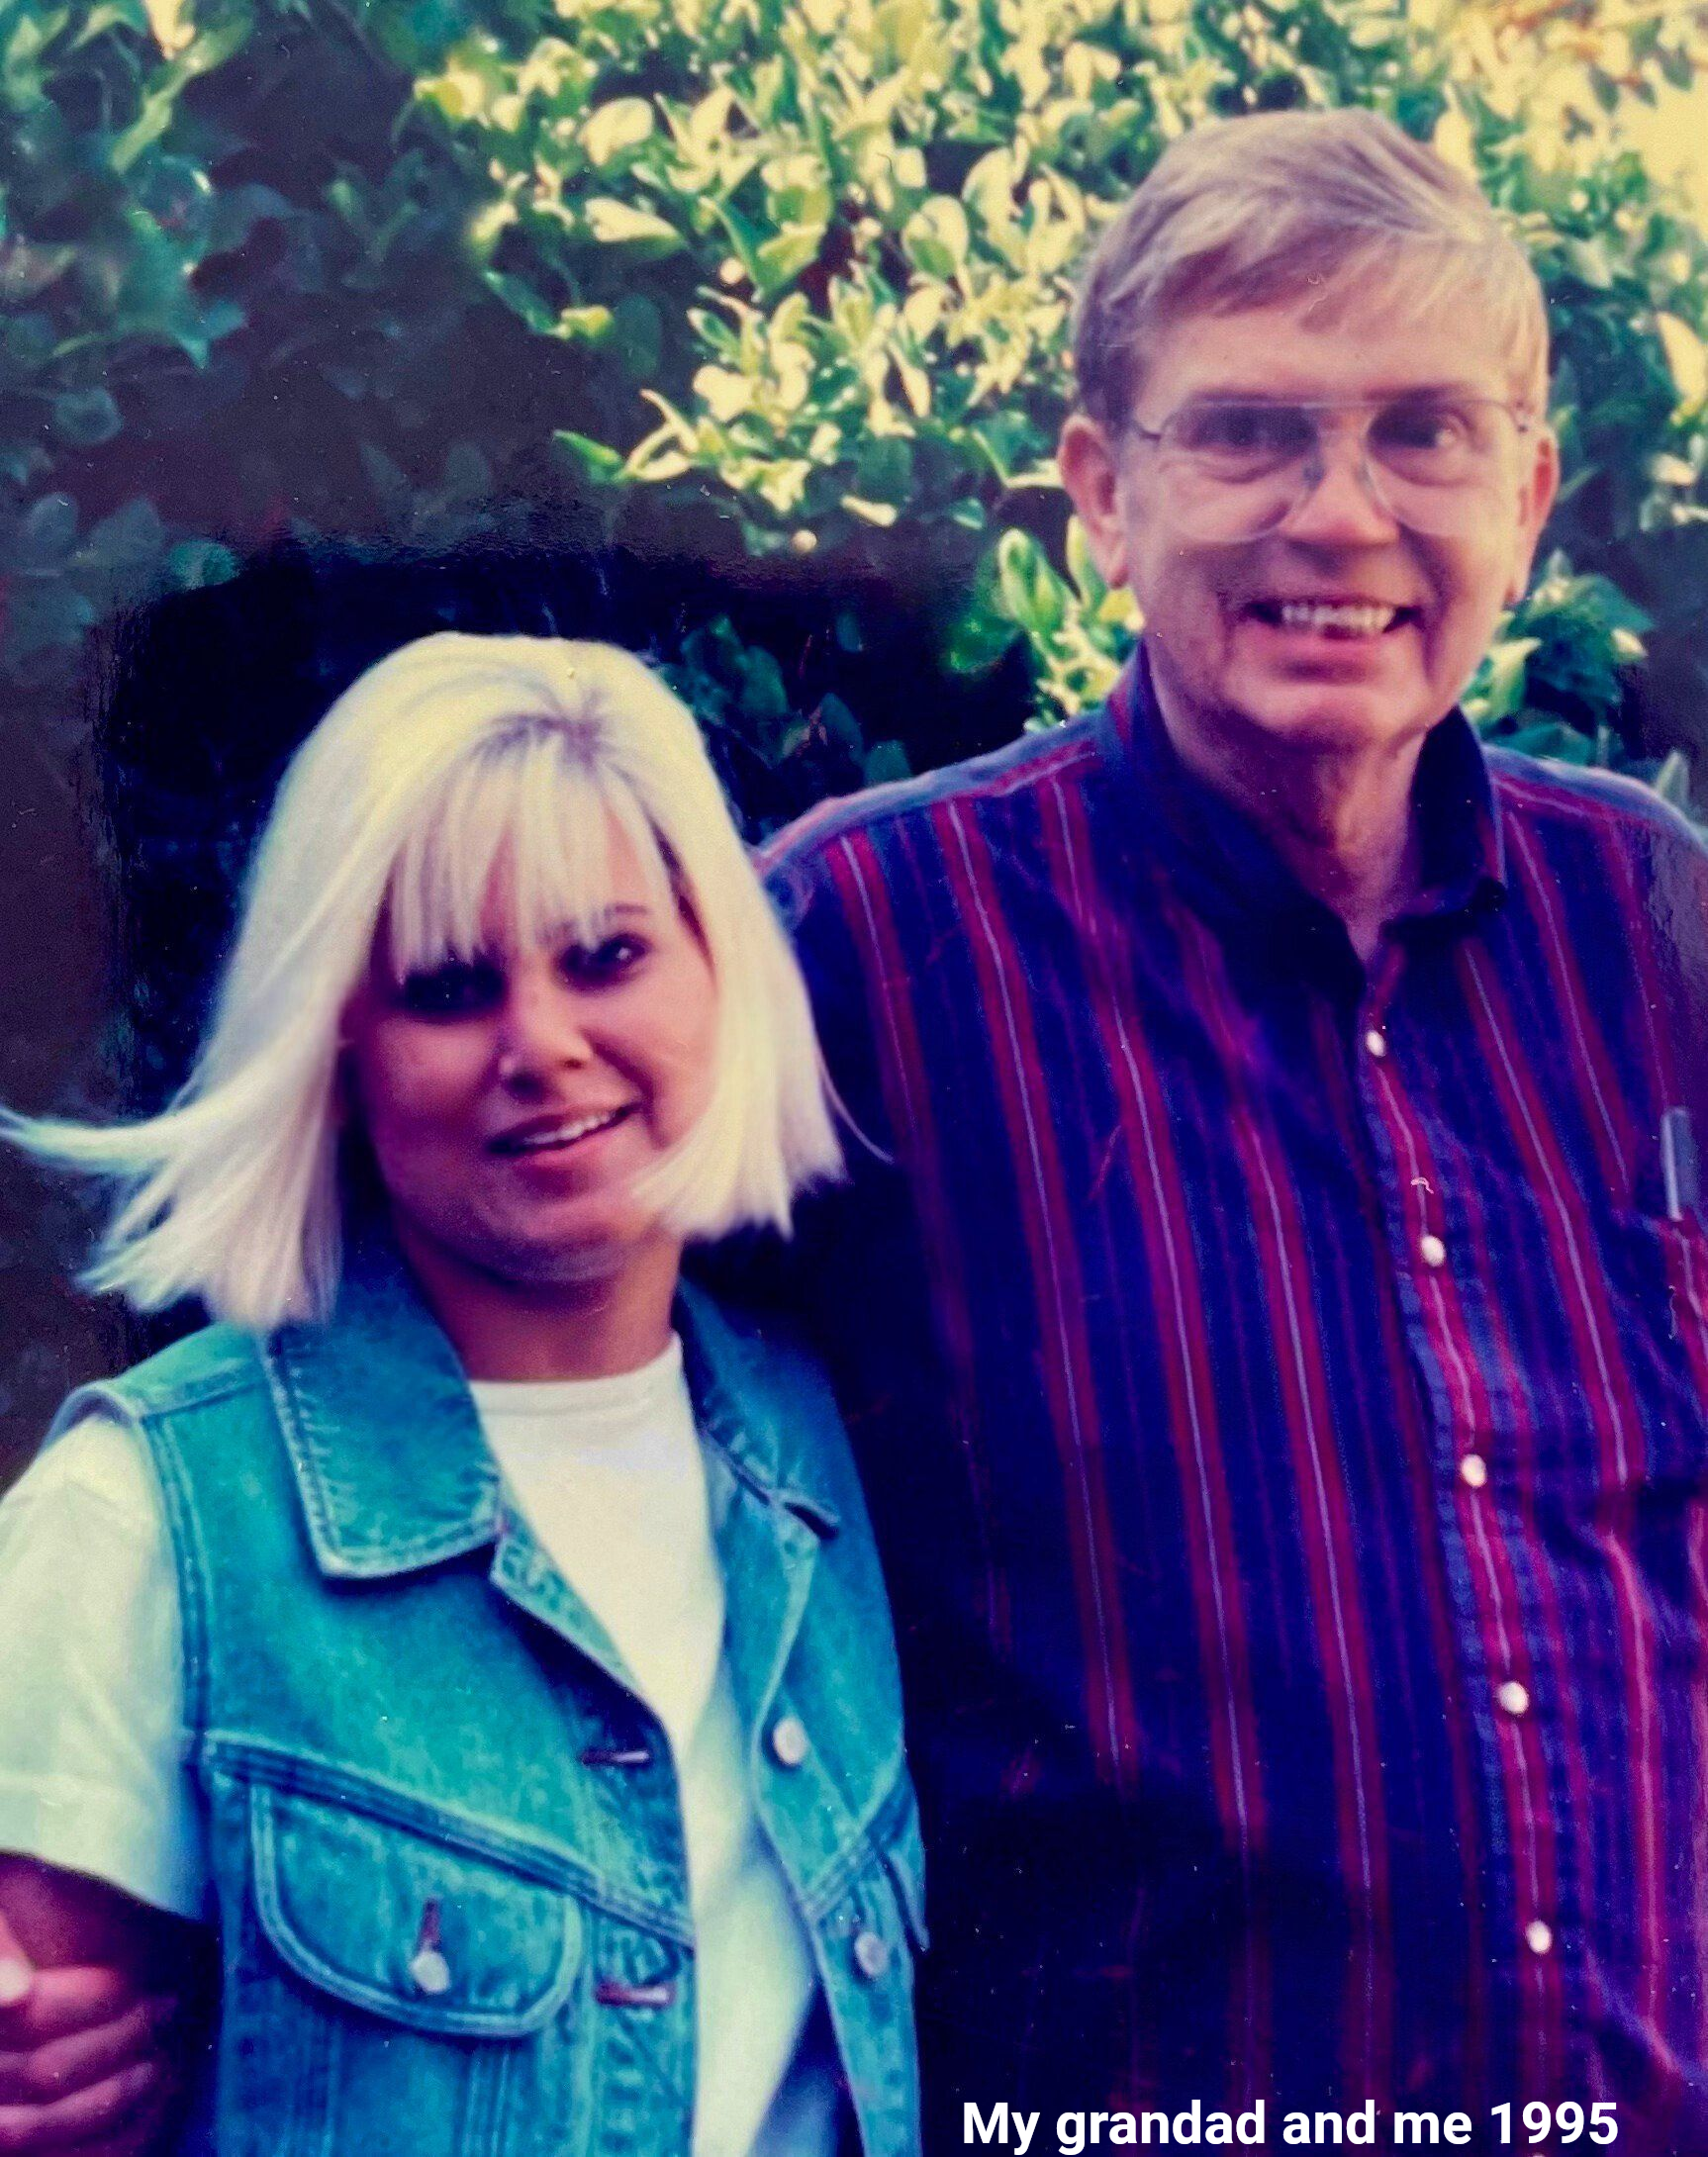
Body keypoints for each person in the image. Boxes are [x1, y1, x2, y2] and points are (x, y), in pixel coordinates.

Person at [755, 109, 1708, 2148]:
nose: (1340, 514)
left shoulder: (1653, 924)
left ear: (1526, 495)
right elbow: (482, 1405)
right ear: (1101, 493)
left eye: (1424, 434)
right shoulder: (863, 946)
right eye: (1248, 432)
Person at [0, 631, 926, 2156]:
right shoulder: (149, 1517)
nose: (544, 1046)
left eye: (608, 955)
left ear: (721, 974)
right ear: (338, 1052)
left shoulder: (828, 1451)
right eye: (447, 987)